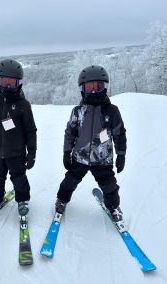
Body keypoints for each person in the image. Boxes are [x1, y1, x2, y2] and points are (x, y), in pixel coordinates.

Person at [55, 65, 127, 222]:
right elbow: (70, 133)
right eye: (89, 87)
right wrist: (66, 152)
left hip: (102, 159)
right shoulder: (78, 111)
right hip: (79, 158)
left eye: (98, 87)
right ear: (82, 89)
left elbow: (119, 134)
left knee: (110, 186)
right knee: (69, 182)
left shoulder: (112, 111)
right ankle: (61, 200)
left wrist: (121, 154)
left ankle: (114, 207)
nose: (94, 91)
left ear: (105, 87)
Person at [0, 59, 37, 217]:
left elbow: (30, 131)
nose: (7, 86)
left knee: (19, 178)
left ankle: (23, 200)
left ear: (19, 84)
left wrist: (31, 153)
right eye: (4, 82)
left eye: (11, 83)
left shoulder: (23, 105)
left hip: (16, 153)